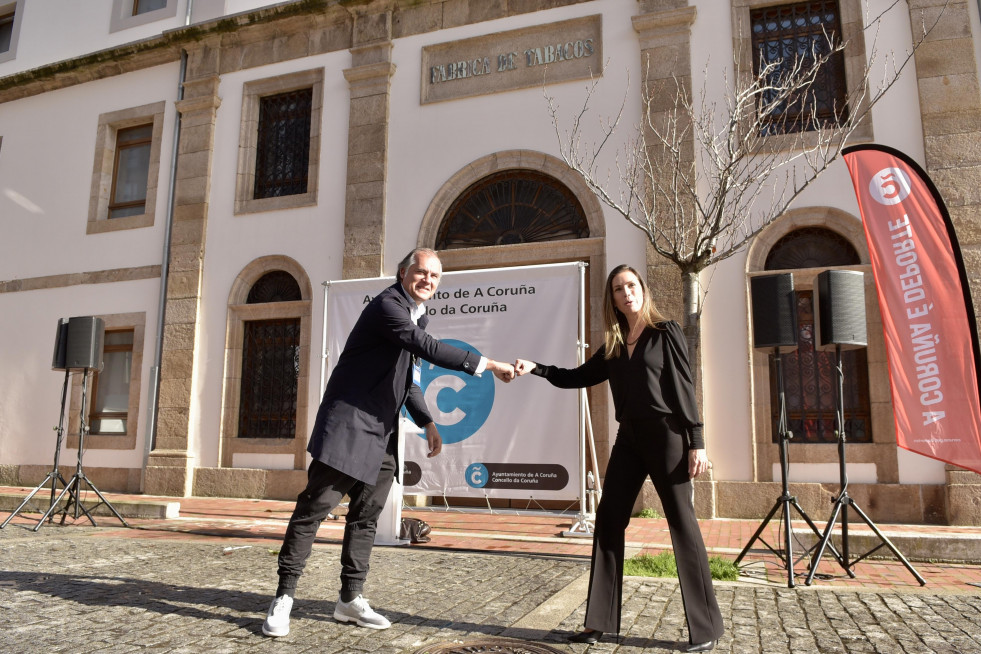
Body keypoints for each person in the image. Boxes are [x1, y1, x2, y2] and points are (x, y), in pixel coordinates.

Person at [262, 247, 516, 638]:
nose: (428, 280)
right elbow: (427, 349)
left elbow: (409, 379)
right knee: (314, 509)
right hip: (349, 425)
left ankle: (350, 599)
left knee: (366, 516)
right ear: (403, 273)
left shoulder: (418, 315)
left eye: (435, 276)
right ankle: (284, 598)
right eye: (421, 272)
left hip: (383, 431)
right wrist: (488, 365)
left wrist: (428, 421)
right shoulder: (388, 307)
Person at [514, 264, 724, 652]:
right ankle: (598, 622)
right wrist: (536, 369)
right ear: (612, 299)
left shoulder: (666, 332)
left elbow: (684, 386)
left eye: (631, 286)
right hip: (628, 439)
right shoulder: (613, 344)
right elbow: (575, 376)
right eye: (617, 289)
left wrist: (697, 441)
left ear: (642, 290)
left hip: (668, 437)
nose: (626, 293)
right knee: (609, 520)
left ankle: (706, 627)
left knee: (682, 524)